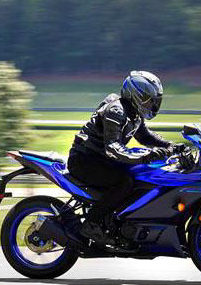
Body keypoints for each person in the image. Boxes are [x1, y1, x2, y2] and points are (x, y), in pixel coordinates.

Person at [68, 70, 174, 243]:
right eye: (149, 99)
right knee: (124, 182)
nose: (153, 104)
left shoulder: (133, 113)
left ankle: (119, 222)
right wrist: (146, 156)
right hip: (85, 160)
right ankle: (91, 224)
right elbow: (113, 148)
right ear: (136, 95)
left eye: (155, 100)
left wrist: (171, 146)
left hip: (102, 160)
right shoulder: (116, 110)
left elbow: (145, 137)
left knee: (141, 175)